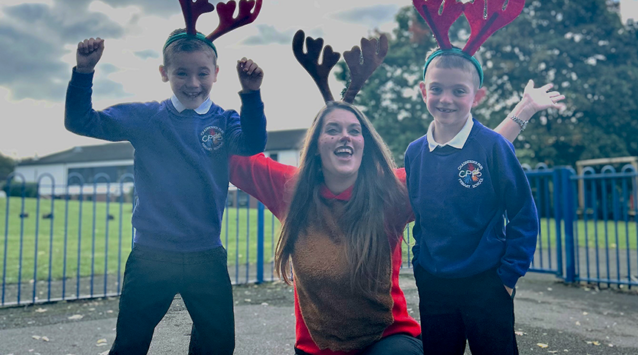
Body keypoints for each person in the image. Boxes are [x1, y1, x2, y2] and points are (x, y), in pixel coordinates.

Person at [228, 31, 563, 355]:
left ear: (366, 144)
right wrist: (239, 96)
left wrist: (523, 111)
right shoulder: (289, 187)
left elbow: (468, 158)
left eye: (354, 130)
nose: (345, 137)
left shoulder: (390, 190)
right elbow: (222, 154)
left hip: (387, 338)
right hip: (318, 345)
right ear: (316, 144)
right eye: (332, 130)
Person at [64, 0, 266, 355]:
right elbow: (80, 121)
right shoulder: (146, 117)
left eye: (202, 73)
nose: (193, 82)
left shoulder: (224, 120)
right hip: (151, 255)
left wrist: (251, 96)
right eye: (181, 73)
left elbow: (254, 143)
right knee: (131, 344)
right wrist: (84, 72)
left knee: (218, 343)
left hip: (206, 253)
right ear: (164, 74)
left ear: (216, 74)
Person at [405, 0, 541, 355]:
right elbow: (420, 216)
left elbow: (523, 214)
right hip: (435, 285)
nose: (446, 98)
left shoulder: (494, 147)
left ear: (476, 96)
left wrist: (508, 276)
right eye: (437, 88)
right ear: (423, 91)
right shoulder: (415, 152)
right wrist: (421, 266)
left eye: (459, 91)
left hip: (488, 283)